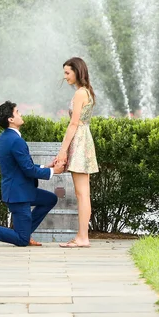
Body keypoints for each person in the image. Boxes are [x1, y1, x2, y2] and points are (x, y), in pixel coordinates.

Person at [0, 101, 58, 247]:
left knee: (50, 199)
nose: (20, 114)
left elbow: (21, 166)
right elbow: (28, 170)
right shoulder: (16, 141)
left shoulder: (5, 137)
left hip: (20, 189)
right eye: (17, 112)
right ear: (10, 119)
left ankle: (26, 233)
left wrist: (45, 167)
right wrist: (53, 171)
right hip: (19, 194)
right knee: (21, 240)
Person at [56, 57, 99, 248]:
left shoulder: (80, 93)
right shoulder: (86, 91)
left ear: (77, 71)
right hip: (84, 139)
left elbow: (74, 124)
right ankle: (82, 236)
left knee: (82, 194)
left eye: (67, 72)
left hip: (80, 140)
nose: (65, 77)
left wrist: (62, 151)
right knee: (83, 193)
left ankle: (82, 237)